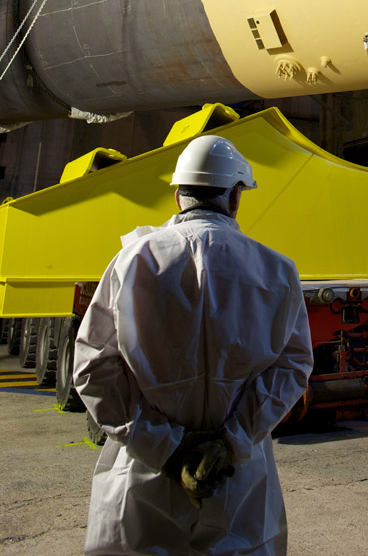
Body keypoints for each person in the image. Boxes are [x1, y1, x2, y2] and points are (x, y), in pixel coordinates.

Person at [73, 134, 313, 556]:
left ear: (179, 194)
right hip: (237, 483)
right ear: (235, 197)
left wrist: (165, 447)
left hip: (146, 479)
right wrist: (230, 443)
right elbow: (292, 369)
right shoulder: (276, 270)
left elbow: (94, 368)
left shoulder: (133, 261)